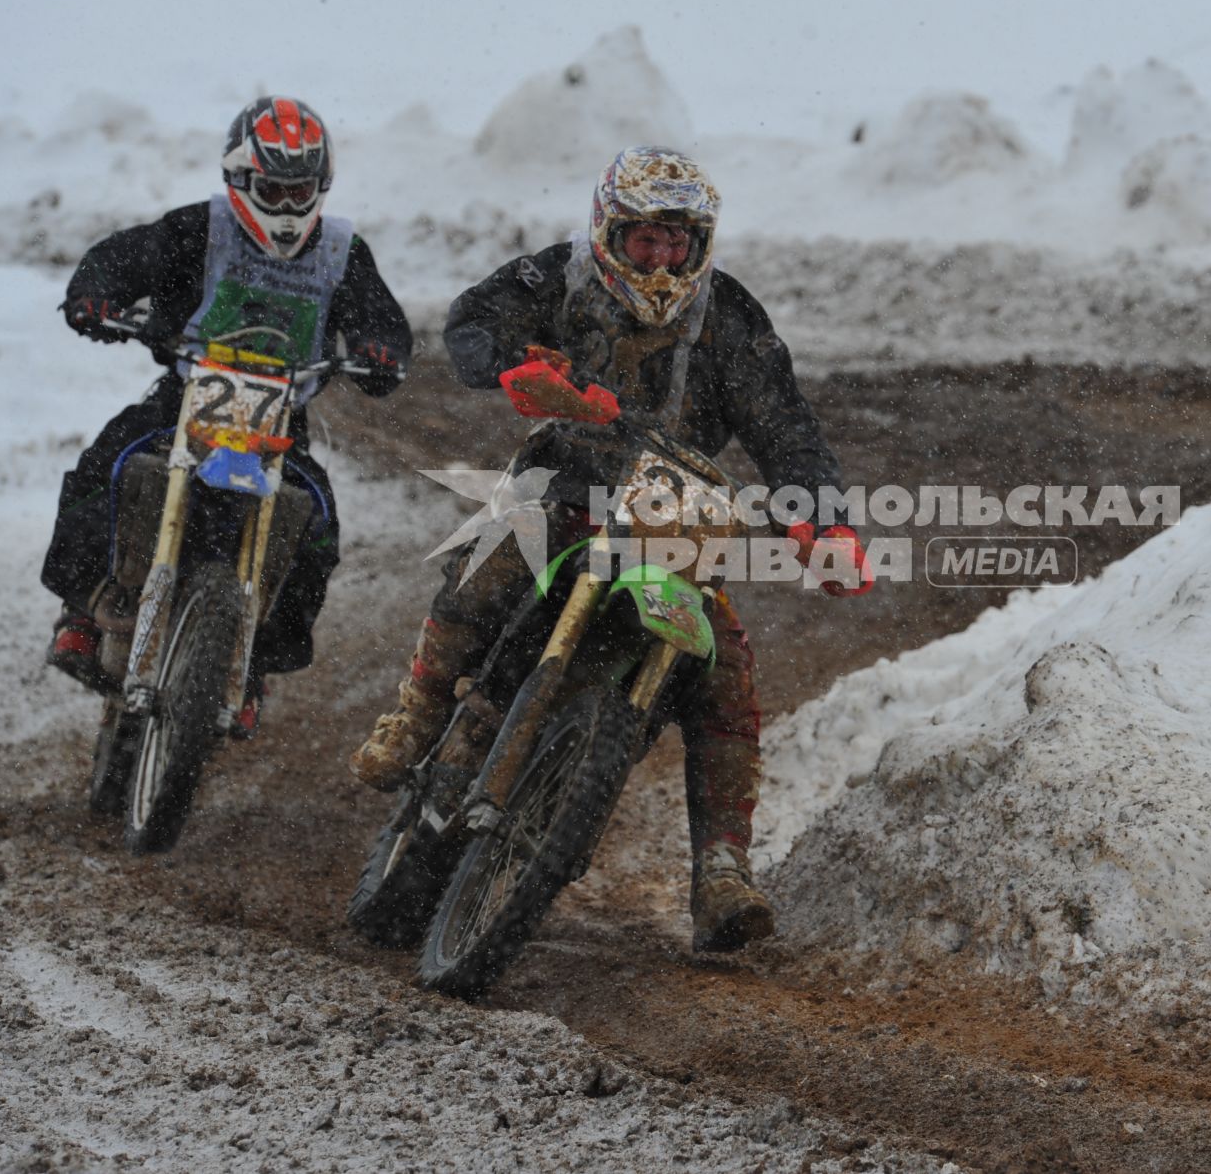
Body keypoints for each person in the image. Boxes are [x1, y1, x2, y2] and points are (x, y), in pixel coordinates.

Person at [351, 146, 870, 952]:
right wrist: (515, 364)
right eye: (644, 241)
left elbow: (786, 425)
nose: (662, 261)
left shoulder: (731, 317)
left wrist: (822, 520)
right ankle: (417, 715)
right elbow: (472, 321)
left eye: (678, 243)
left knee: (725, 661)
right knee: (489, 563)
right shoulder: (558, 278)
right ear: (608, 230)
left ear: (700, 245)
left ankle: (723, 870)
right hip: (569, 481)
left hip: (674, 512)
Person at [42, 96, 410, 734]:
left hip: (277, 424)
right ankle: (82, 609)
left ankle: (253, 658)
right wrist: (93, 297)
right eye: (275, 189)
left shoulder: (342, 252)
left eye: (302, 191)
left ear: (321, 187)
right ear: (240, 180)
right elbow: (122, 257)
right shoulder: (197, 229)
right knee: (104, 466)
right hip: (183, 400)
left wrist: (382, 352)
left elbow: (380, 317)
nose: (290, 207)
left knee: (318, 525)